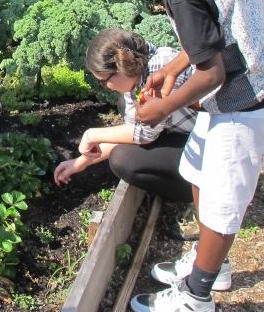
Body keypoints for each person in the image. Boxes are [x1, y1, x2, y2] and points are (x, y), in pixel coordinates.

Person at [102, 0, 264, 312]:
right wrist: (173, 70)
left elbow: (210, 73)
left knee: (220, 204)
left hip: (243, 99)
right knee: (196, 172)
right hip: (231, 88)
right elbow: (212, 33)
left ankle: (197, 298)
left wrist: (162, 107)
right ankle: (212, 265)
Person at [54, 29, 196, 210]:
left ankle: (201, 197)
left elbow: (144, 135)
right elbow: (134, 131)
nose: (104, 86)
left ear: (119, 68)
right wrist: (80, 162)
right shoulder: (137, 71)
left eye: (103, 81)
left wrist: (91, 135)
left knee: (124, 160)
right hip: (182, 133)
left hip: (209, 146)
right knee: (124, 107)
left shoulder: (159, 70)